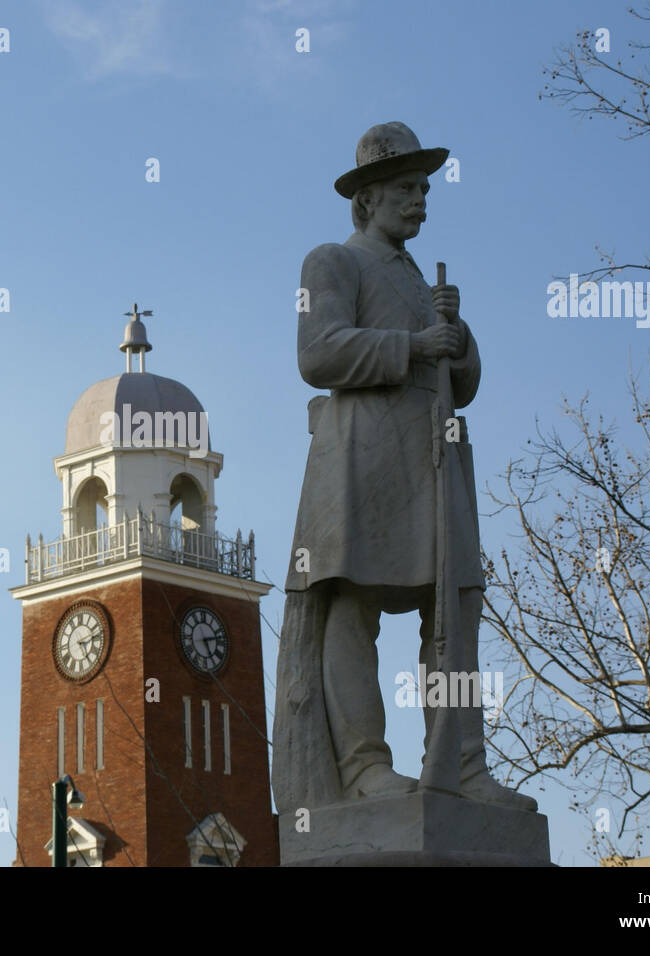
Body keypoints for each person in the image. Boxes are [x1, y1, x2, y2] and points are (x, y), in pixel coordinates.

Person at [272, 122, 536, 813]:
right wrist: (417, 343)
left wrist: (458, 336)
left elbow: (461, 382)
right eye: (406, 188)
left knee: (453, 609)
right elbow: (318, 354)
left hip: (434, 453)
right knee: (354, 607)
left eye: (424, 188)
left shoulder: (424, 281)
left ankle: (462, 766)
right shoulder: (331, 261)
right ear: (367, 199)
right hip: (361, 455)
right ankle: (363, 768)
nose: (421, 200)